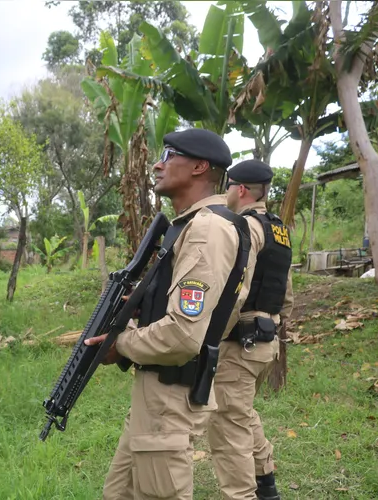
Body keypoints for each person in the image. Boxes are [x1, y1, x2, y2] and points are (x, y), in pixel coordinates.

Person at [84, 128, 251, 500]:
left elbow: (183, 334)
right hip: (156, 395)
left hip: (168, 398)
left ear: (199, 167)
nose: (158, 164)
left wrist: (120, 343)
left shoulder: (207, 230)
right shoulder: (189, 227)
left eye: (170, 154)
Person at [207, 159, 294, 500]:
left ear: (240, 189)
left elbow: (236, 291)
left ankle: (242, 494)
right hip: (265, 341)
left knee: (227, 425)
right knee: (241, 412)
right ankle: (265, 480)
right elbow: (286, 293)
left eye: (228, 186)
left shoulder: (243, 227)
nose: (226, 192)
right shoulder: (278, 229)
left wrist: (209, 337)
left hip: (239, 343)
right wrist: (275, 325)